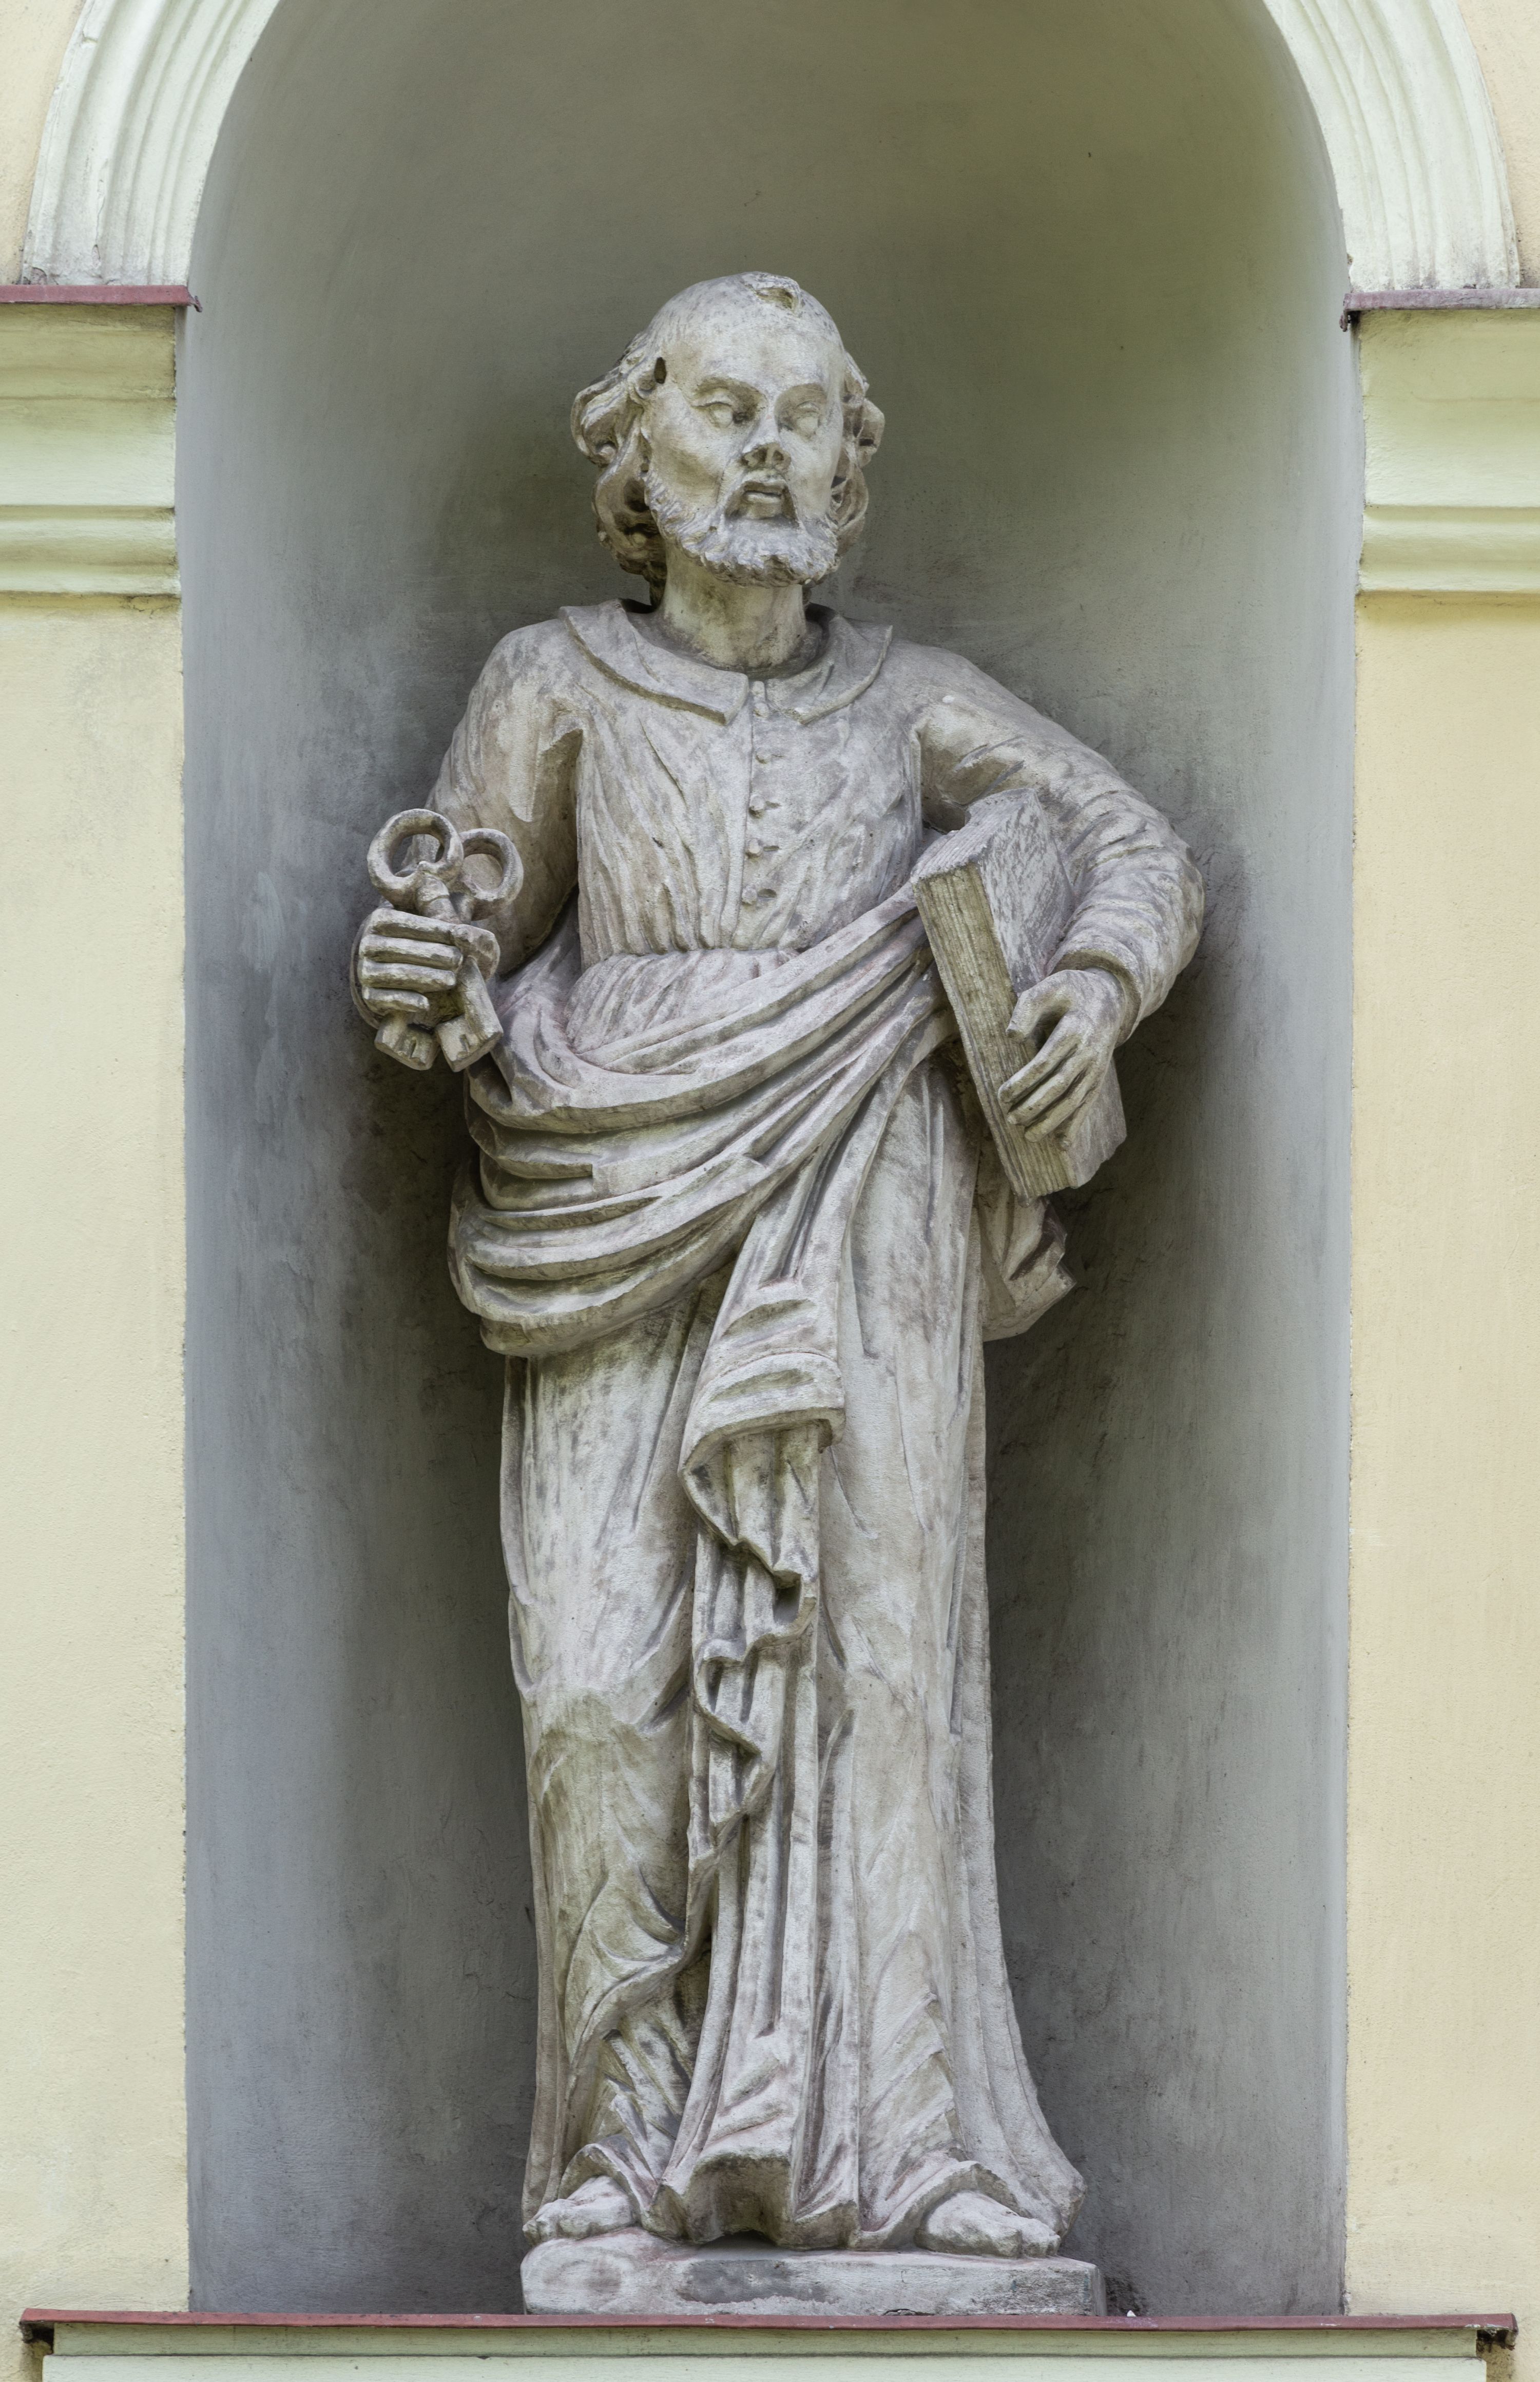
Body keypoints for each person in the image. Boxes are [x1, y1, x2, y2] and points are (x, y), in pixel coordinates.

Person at [353, 273, 1203, 2259]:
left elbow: (1138, 847)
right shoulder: (554, 680)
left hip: (870, 1202)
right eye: (722, 408)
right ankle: (619, 2143)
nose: (761, 449)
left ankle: (910, 2146)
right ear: (634, 449)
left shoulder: (910, 703)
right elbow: (463, 924)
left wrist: (1090, 984)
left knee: (878, 1666)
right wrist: (423, 970)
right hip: (610, 1196)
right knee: (595, 1680)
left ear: (847, 467)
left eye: (801, 418)